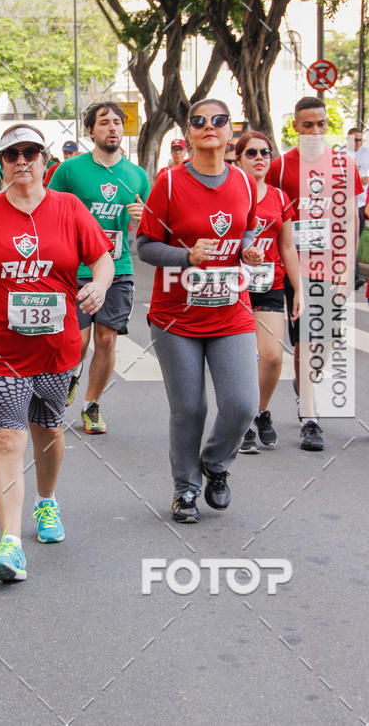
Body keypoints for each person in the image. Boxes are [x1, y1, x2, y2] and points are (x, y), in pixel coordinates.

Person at [0, 124, 114, 582]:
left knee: (48, 432)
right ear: (2, 164)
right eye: (12, 154)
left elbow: (103, 257)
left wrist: (99, 284)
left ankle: (47, 502)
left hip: (57, 346)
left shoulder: (69, 208)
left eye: (30, 152)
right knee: (6, 438)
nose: (21, 161)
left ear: (43, 160)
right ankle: (10, 543)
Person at [137, 98, 263, 524]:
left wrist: (249, 251)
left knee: (244, 404)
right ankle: (186, 490)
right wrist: (186, 257)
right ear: (189, 133)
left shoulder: (244, 183)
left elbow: (244, 236)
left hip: (231, 311)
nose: (209, 126)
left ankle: (216, 462)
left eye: (219, 121)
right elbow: (145, 246)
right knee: (189, 408)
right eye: (199, 121)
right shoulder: (170, 183)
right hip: (177, 317)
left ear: (231, 132)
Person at [266, 97, 363, 451]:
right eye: (307, 124)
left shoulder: (344, 165)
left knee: (323, 343)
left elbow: (352, 220)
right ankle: (310, 418)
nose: (315, 130)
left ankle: (304, 385)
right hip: (294, 270)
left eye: (321, 123)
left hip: (331, 266)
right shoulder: (279, 167)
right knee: (306, 339)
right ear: (295, 127)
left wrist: (347, 268)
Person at [49, 102, 150, 434]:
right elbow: (49, 212)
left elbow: (151, 222)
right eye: (104, 122)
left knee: (106, 340)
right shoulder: (69, 171)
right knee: (77, 341)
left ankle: (92, 405)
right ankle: (70, 378)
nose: (113, 128)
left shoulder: (136, 174)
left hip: (118, 267)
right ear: (90, 130)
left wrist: (141, 218)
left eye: (118, 122)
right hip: (76, 270)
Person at [235, 131, 301, 453]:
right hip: (234, 287)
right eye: (251, 153)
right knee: (243, 359)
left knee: (273, 357)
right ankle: (243, 421)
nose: (260, 157)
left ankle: (260, 410)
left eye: (265, 152)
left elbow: (287, 247)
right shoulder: (230, 194)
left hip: (270, 285)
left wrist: (298, 289)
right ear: (238, 159)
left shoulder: (279, 197)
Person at [347, 127, 369, 289]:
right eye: (355, 140)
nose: (358, 143)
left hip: (360, 205)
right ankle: (354, 276)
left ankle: (354, 276)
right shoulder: (340, 155)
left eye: (360, 140)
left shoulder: (366, 153)